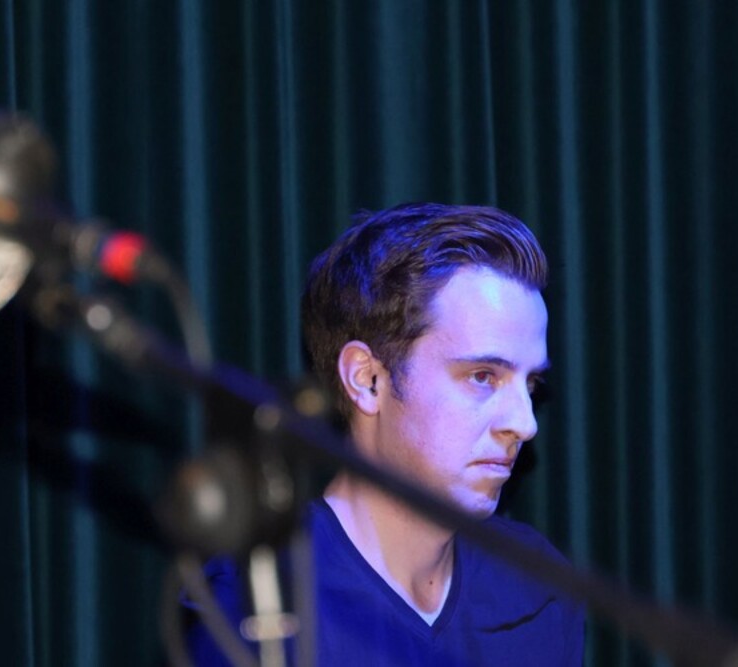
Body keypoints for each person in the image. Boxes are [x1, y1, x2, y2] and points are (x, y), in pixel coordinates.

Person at [189, 203, 585, 665]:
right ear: (368, 380)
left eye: (530, 384)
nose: (525, 423)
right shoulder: (251, 604)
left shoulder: (538, 589)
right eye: (483, 376)